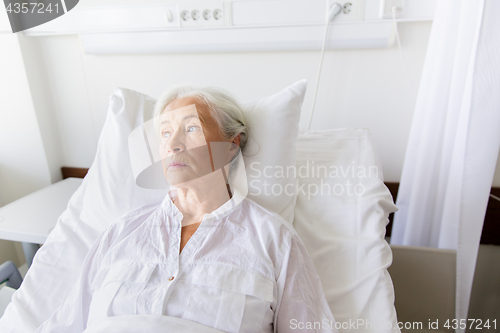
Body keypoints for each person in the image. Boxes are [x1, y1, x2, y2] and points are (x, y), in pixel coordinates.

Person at [35, 84, 337, 333]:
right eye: (165, 133)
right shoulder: (120, 234)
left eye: (191, 128)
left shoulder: (273, 240)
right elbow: (67, 323)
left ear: (232, 145)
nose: (173, 144)